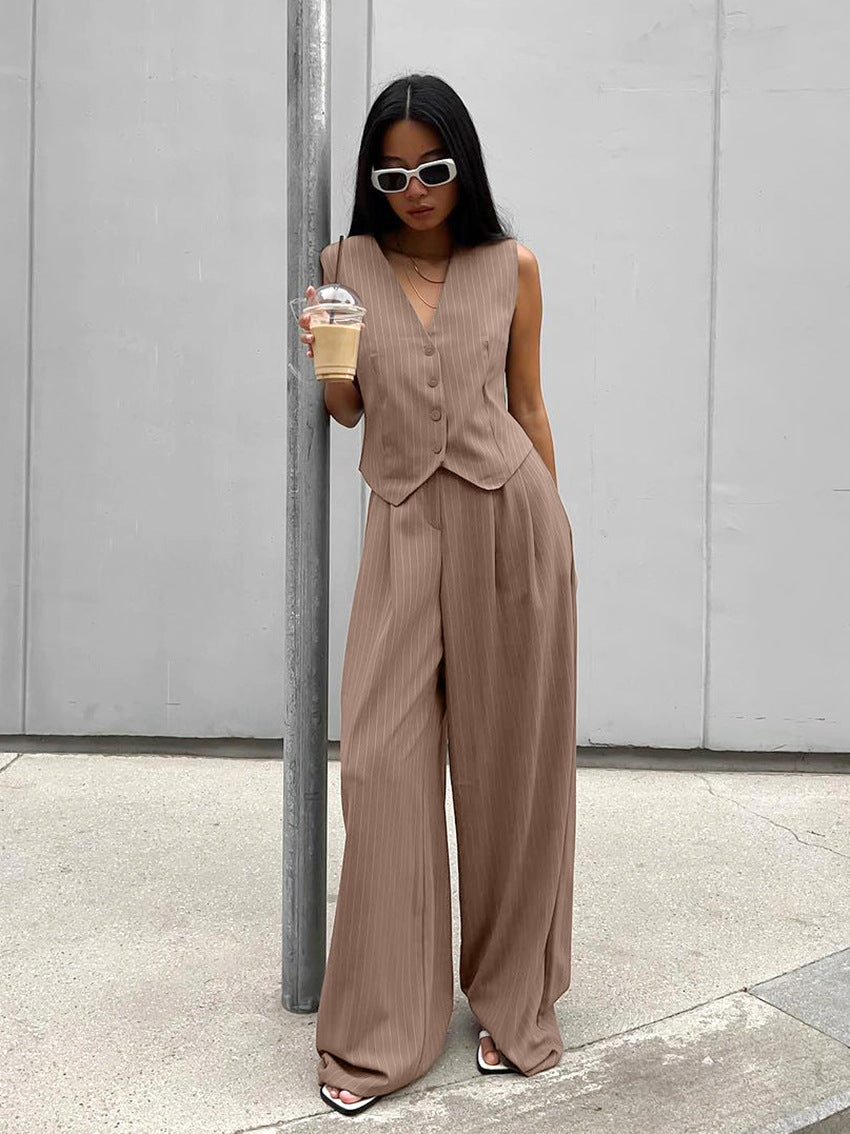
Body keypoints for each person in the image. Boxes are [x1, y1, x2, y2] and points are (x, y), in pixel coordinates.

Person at [298, 73, 578, 1118]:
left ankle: (513, 1002)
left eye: (434, 167)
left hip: (513, 527)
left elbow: (531, 407)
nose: (413, 188)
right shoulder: (344, 267)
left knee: (512, 772)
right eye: (391, 171)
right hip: (403, 530)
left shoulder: (514, 266)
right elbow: (345, 410)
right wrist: (323, 347)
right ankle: (381, 1033)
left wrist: (561, 546)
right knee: (378, 768)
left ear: (463, 165)